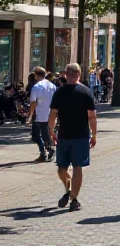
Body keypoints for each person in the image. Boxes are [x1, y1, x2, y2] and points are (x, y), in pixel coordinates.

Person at [47, 63, 96, 212]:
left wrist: (51, 131)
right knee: (71, 168)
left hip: (66, 135)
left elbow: (53, 114)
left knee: (66, 168)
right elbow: (92, 116)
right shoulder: (86, 92)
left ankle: (74, 198)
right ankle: (70, 192)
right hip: (78, 136)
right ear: (79, 75)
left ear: (66, 74)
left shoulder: (59, 93)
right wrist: (94, 134)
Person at [28, 66, 56, 162]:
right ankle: (48, 150)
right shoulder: (52, 86)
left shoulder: (36, 87)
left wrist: (30, 115)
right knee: (45, 133)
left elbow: (33, 102)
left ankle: (45, 151)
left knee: (36, 136)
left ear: (36, 75)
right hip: (49, 114)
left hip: (38, 114)